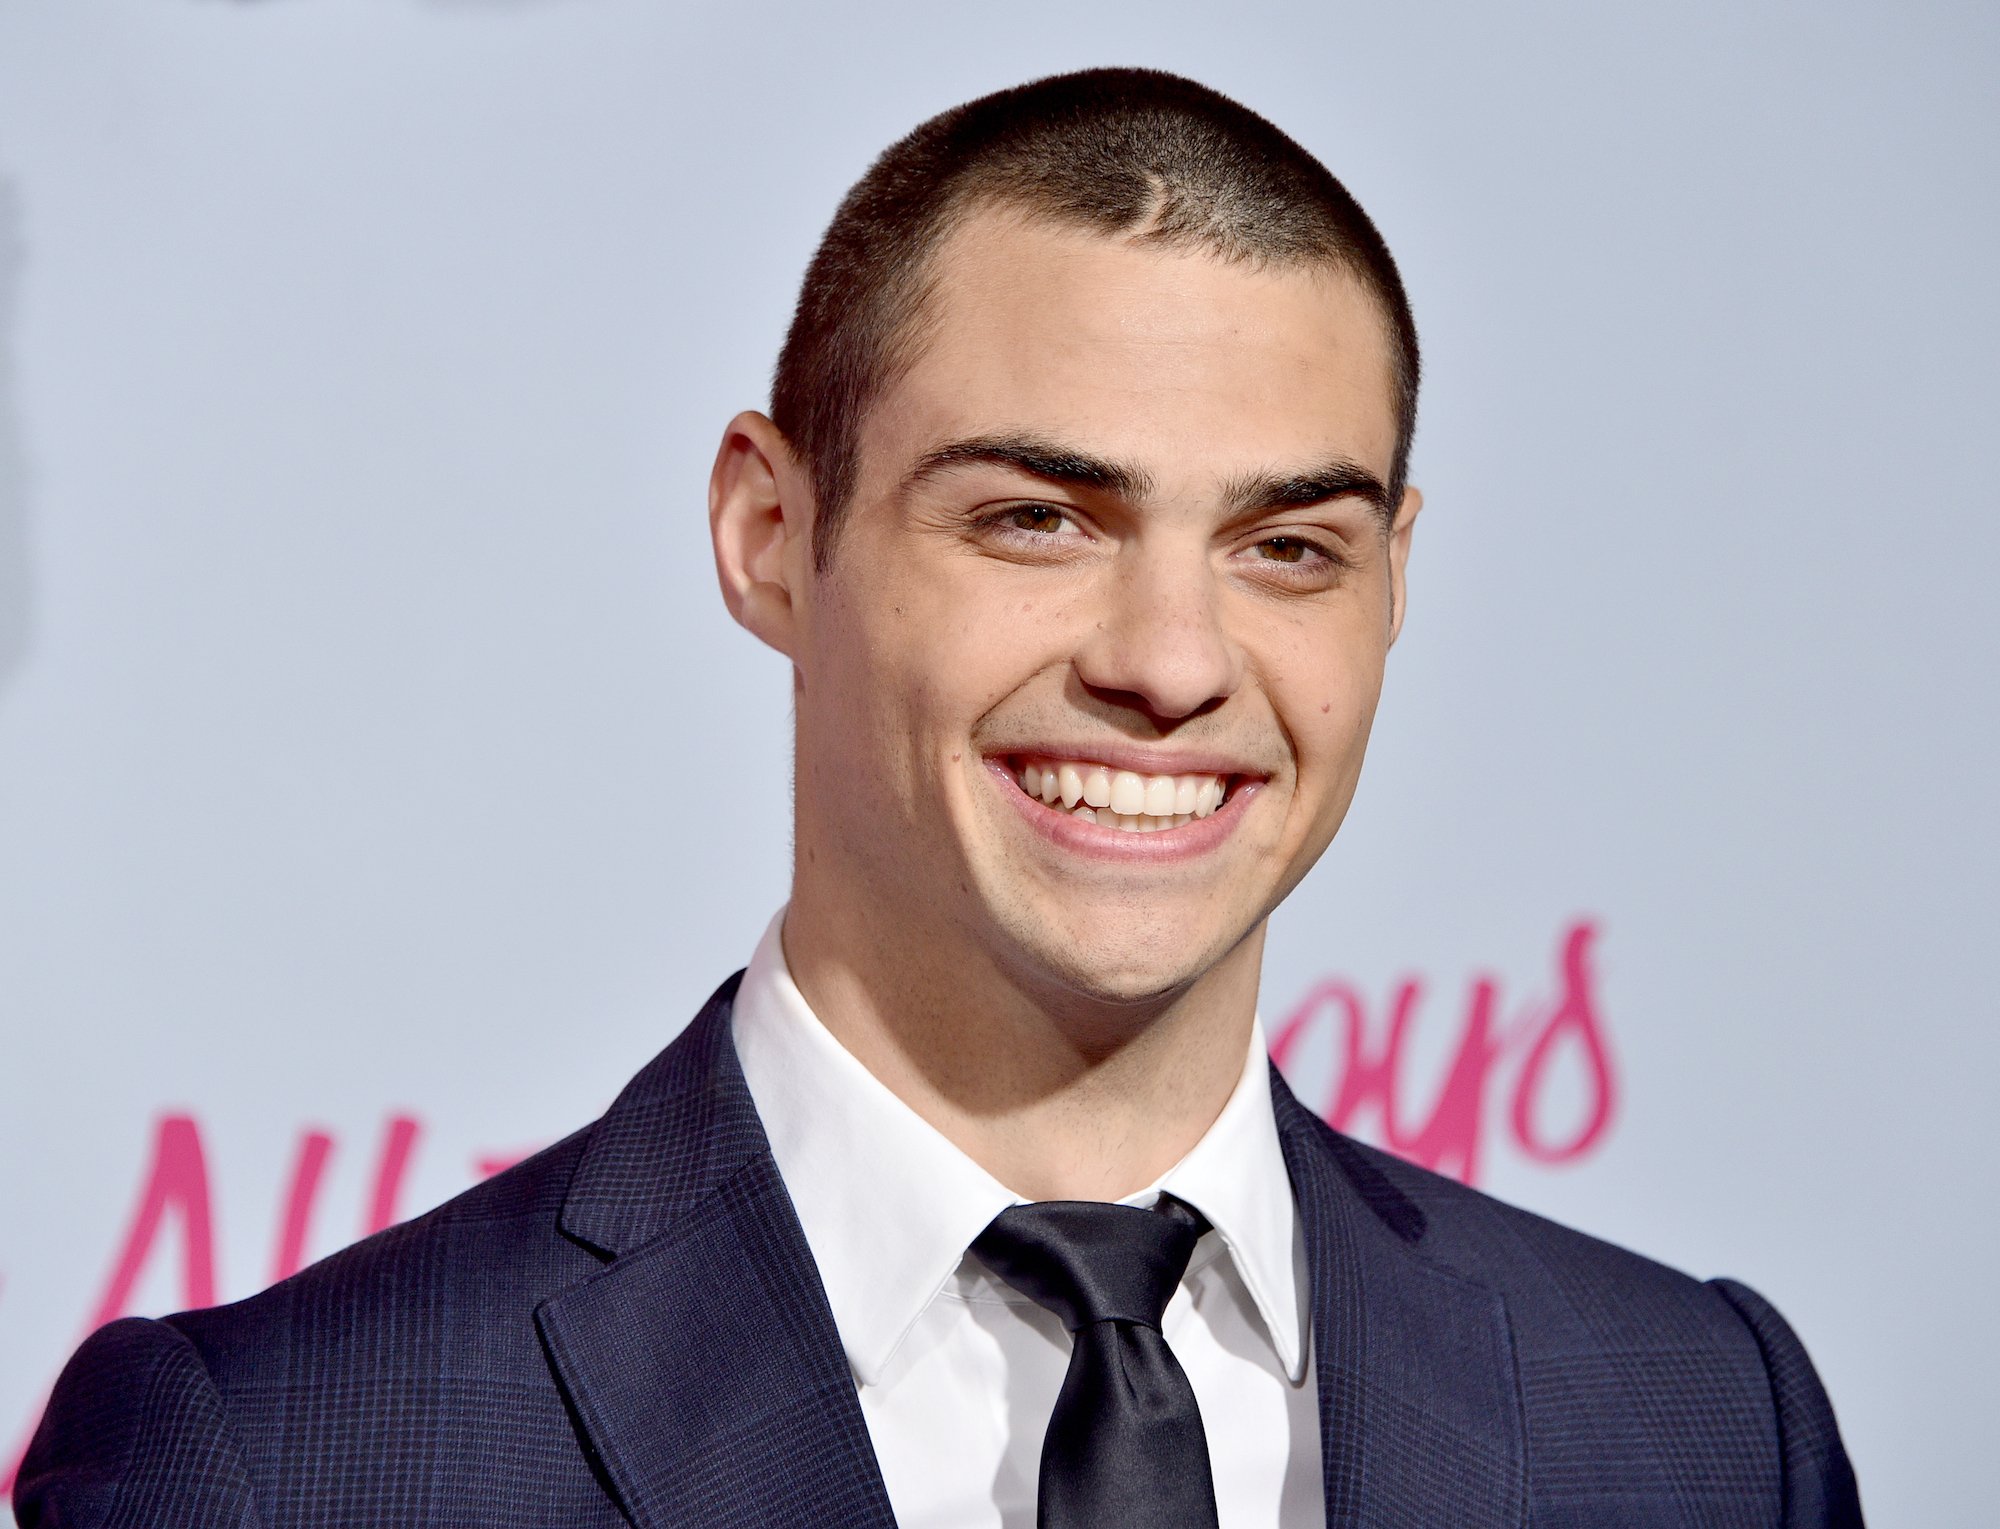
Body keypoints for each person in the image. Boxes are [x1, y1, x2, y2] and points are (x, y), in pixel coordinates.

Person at [15, 67, 1862, 1528]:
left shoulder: (1703, 1421)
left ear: (1396, 583)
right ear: (769, 533)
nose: (1170, 659)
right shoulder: (276, 1463)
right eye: (1036, 520)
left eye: (1290, 543)